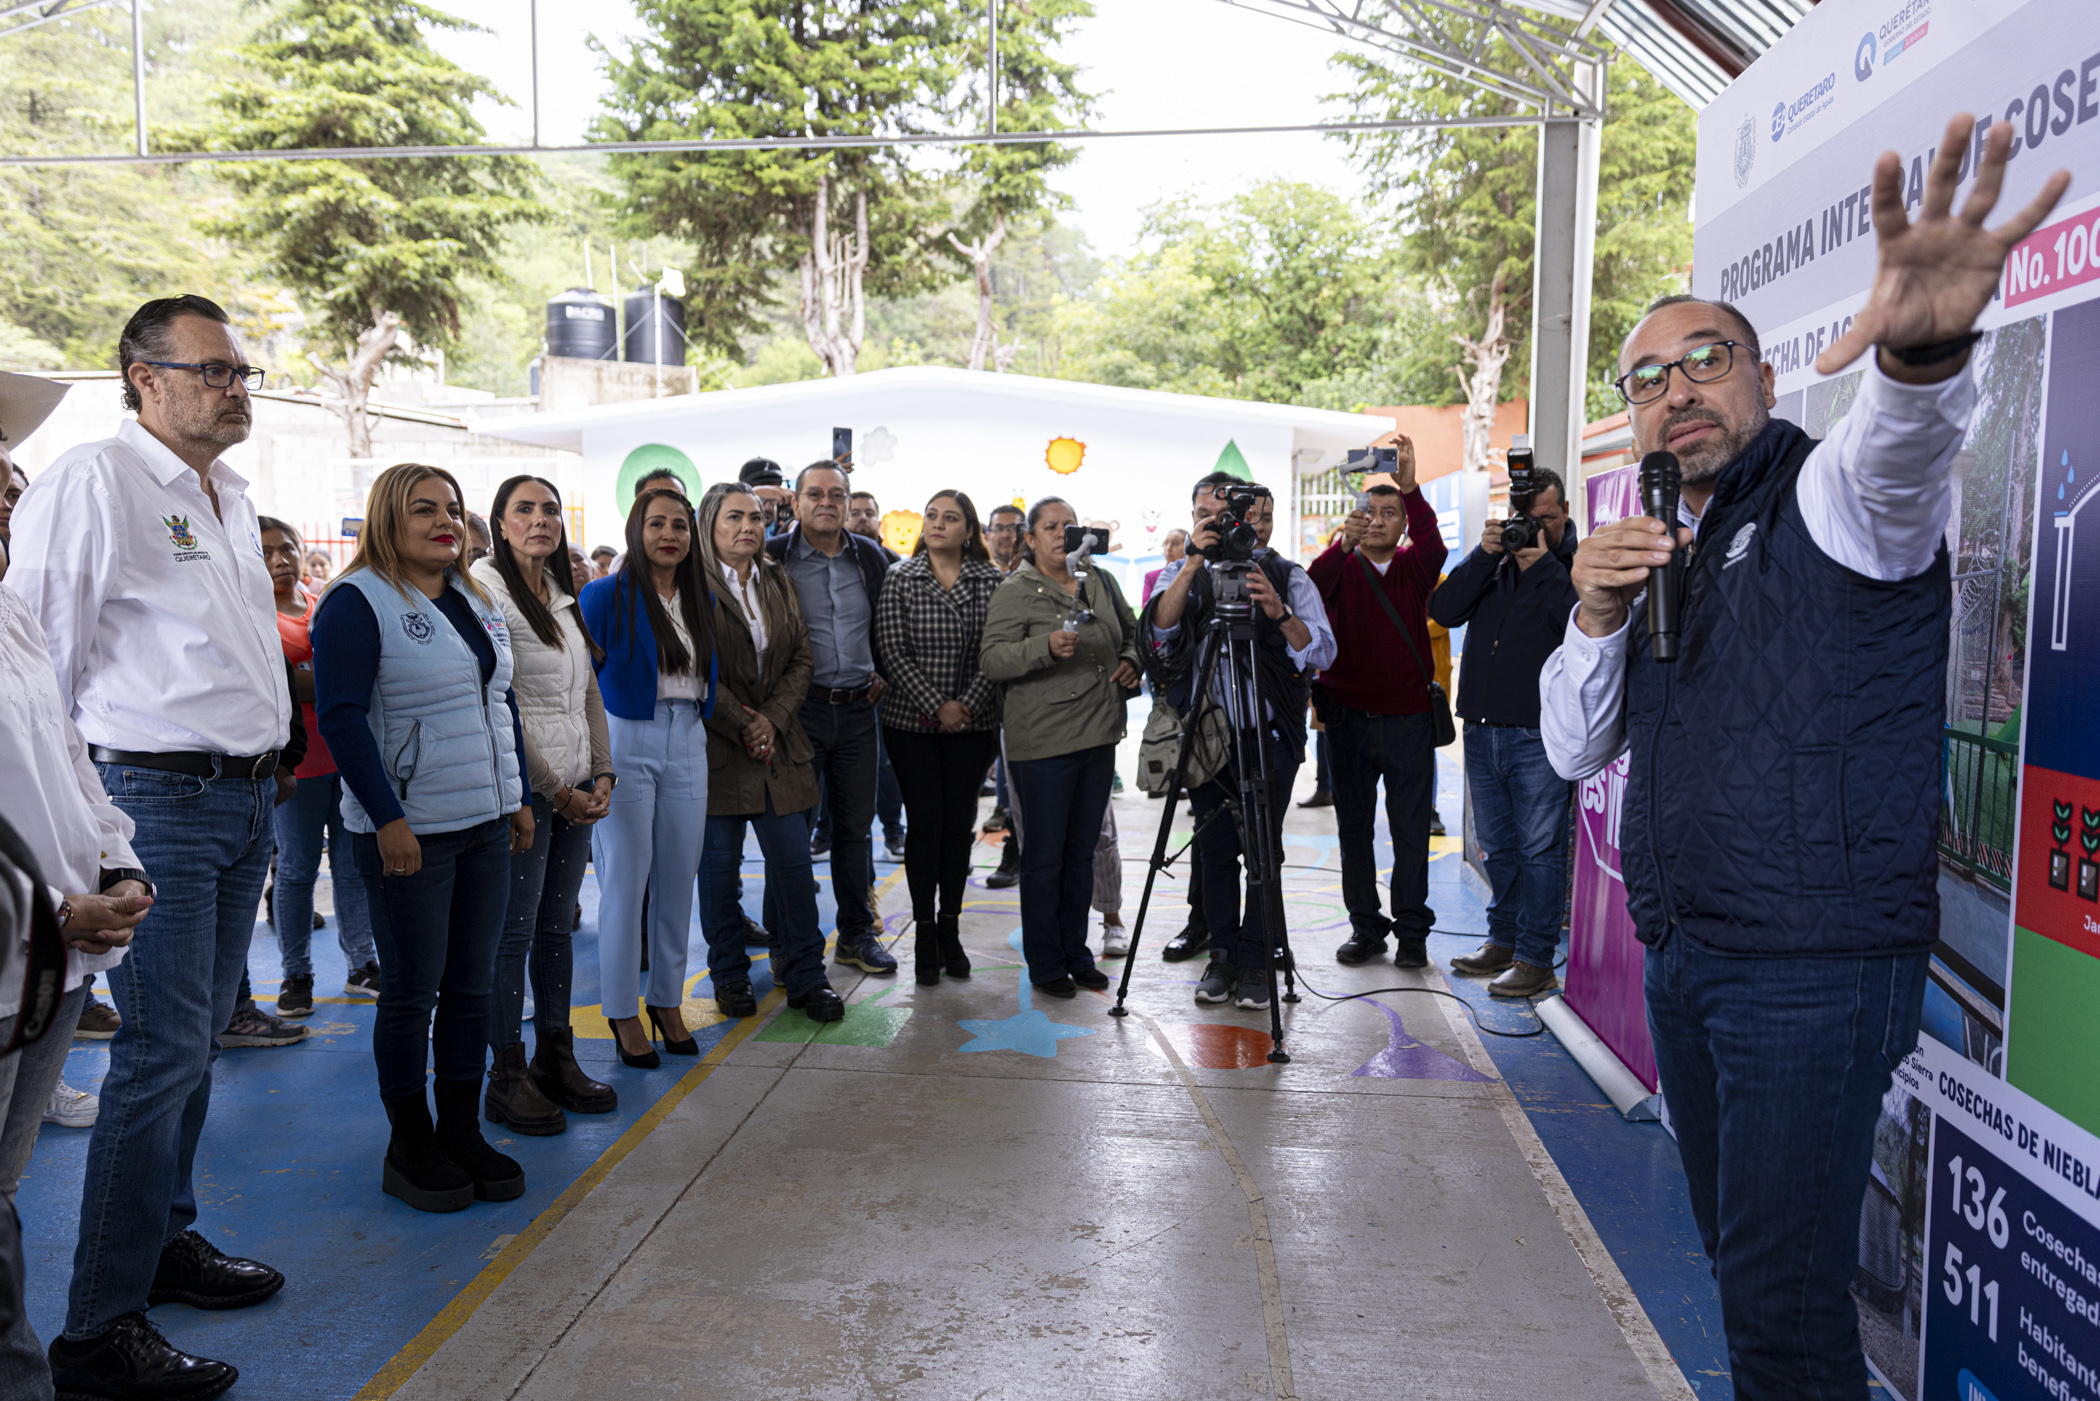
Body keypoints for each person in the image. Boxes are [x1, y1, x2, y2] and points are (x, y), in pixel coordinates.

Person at [1541, 116, 2064, 1400]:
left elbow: (1902, 455)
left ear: (1765, 381)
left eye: (1705, 359)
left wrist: (1924, 352)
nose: (1677, 391)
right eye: (1647, 377)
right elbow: (1573, 745)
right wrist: (1593, 615)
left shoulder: (1832, 500)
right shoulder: (1655, 541)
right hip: (1694, 964)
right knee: (1742, 1271)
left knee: (1781, 1321)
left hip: (1812, 976)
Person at [9, 295, 294, 1391]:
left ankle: (164, 1238)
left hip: (241, 800)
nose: (235, 388)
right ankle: (99, 1328)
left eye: (240, 372)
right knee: (158, 1055)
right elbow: (42, 674)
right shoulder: (95, 482)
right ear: (144, 376)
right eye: (214, 370)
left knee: (197, 1045)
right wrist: (88, 842)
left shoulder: (225, 494)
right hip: (156, 799)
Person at [312, 461, 535, 1214]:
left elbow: (497, 702)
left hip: (483, 821)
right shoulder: (355, 601)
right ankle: (409, 1143)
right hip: (410, 833)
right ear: (386, 517)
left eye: (452, 507)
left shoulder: (471, 594)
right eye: (423, 509)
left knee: (470, 987)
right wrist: (387, 818)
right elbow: (341, 716)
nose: (444, 520)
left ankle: (461, 1130)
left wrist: (518, 798)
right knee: (411, 994)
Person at [1145, 476, 1335, 1010]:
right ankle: (1222, 955)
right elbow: (1159, 630)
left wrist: (1277, 612)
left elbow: (1321, 653)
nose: (1254, 527)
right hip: (1207, 738)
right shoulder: (1188, 569)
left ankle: (1257, 960)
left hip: (1269, 736)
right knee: (1216, 851)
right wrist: (1190, 563)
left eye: (1265, 518)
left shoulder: (1286, 575)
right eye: (1244, 517)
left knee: (1262, 852)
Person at [475, 475, 619, 1132]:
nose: (540, 519)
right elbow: (501, 702)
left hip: (573, 785)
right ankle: (505, 1073)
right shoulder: (486, 591)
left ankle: (554, 1054)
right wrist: (554, 789)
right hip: (526, 791)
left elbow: (587, 688)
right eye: (524, 509)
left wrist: (601, 770)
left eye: (550, 509)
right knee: (515, 928)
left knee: (556, 927)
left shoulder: (563, 595)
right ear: (500, 523)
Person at [577, 487, 716, 1068]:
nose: (669, 534)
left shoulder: (702, 596)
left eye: (679, 525)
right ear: (637, 531)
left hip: (689, 735)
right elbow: (581, 680)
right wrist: (594, 761)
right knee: (626, 884)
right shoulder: (604, 594)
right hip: (626, 737)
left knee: (678, 882)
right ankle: (622, 1010)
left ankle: (665, 1001)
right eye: (656, 524)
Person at [979, 497, 1141, 997]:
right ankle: (1047, 963)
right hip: (1043, 741)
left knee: (1081, 853)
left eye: (1070, 525)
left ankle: (1077, 953)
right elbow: (992, 661)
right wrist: (1043, 647)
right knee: (1045, 857)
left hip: (1098, 736)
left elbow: (1131, 630)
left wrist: (1133, 658)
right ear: (1030, 539)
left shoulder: (1099, 580)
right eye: (1050, 526)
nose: (1062, 534)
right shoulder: (1016, 590)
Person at [694, 483, 843, 1022]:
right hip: (717, 748)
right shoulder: (693, 586)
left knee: (794, 870)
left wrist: (772, 720)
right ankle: (729, 977)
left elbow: (801, 657)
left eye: (756, 517)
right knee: (718, 874)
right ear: (709, 525)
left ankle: (808, 975)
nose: (748, 527)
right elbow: (694, 670)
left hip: (779, 745)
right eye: (734, 517)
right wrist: (744, 722)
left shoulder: (776, 578)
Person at [1428, 472, 1578, 998]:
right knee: (1499, 847)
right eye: (1524, 520)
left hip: (1540, 733)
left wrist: (1542, 568)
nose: (1534, 530)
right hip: (1483, 728)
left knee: (1540, 850)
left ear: (1564, 514)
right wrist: (1483, 555)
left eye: (1547, 519)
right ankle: (1503, 940)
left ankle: (1536, 958)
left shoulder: (1573, 568)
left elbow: (1582, 626)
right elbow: (1443, 611)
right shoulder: (1494, 564)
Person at [1307, 436, 1446, 970]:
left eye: (1391, 512)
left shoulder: (1414, 568)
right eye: (1371, 511)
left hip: (1409, 720)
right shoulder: (1340, 566)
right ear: (1357, 519)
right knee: (1354, 832)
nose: (1381, 520)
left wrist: (1411, 487)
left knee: (1411, 831)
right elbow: (1312, 591)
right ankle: (1366, 927)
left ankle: (1412, 931)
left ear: (1403, 522)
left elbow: (1434, 544)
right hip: (1346, 719)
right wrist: (1341, 546)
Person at [763, 463, 898, 976]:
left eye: (836, 494)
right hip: (797, 713)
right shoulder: (772, 557)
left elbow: (889, 618)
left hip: (859, 711)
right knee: (790, 833)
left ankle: (856, 934)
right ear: (795, 503)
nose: (826, 502)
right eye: (815, 494)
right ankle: (786, 941)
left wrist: (883, 669)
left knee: (853, 830)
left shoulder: (870, 557)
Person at [874, 490, 1003, 985]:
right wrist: (937, 705)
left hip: (975, 721)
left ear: (968, 530)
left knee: (958, 824)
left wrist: (965, 705)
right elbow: (892, 649)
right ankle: (924, 932)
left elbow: (997, 647)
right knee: (926, 823)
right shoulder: (900, 577)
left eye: (950, 518)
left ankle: (950, 928)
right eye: (931, 516)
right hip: (912, 724)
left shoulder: (990, 580)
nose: (937, 524)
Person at [259, 517, 381, 1013]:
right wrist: (326, 676)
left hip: (344, 756)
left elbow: (360, 673)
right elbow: (283, 685)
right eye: (267, 550)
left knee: (352, 867)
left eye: (288, 548)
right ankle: (297, 976)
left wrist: (313, 677)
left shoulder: (320, 602)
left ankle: (362, 965)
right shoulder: (254, 615)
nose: (281, 559)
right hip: (297, 765)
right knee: (296, 870)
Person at [1142, 528, 1187, 605]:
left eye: (1175, 543)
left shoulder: (1196, 573)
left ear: (1188, 546)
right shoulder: (1151, 576)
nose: (1168, 548)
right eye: (1165, 543)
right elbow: (1146, 609)